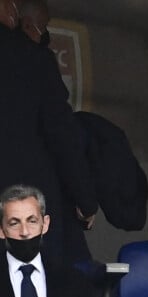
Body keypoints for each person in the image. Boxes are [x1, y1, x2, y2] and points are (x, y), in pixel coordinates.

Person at [0, 0, 98, 265]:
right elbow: (62, 138)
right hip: (22, 213)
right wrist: (86, 200)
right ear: (10, 10)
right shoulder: (31, 58)